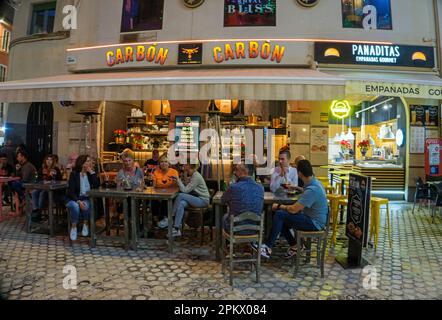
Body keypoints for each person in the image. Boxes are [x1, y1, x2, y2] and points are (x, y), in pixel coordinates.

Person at [253, 160, 328, 259]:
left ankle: (267, 247)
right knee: (280, 219)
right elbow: (305, 191)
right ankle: (295, 246)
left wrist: (279, 206)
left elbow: (293, 209)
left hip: (314, 223)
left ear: (300, 173)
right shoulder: (315, 183)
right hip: (316, 219)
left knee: (280, 214)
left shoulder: (312, 190)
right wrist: (296, 187)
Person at [169, 162, 210, 237]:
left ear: (188, 165)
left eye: (184, 164)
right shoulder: (192, 174)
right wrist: (183, 177)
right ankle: (176, 228)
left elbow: (185, 191)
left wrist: (178, 180)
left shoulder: (196, 176)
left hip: (203, 200)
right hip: (196, 198)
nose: (183, 165)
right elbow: (187, 185)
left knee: (180, 195)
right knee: (181, 204)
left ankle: (171, 217)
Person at [221, 163, 264, 233]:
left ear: (244, 171)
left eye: (236, 170)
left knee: (225, 217)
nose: (234, 172)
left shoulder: (233, 187)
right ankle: (254, 242)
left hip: (235, 229)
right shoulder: (260, 188)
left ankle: (227, 243)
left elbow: (222, 201)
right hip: (255, 229)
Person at [66, 155, 100, 241]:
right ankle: (74, 227)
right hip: (74, 198)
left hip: (86, 198)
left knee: (86, 205)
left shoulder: (90, 174)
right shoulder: (74, 174)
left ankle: (85, 223)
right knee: (75, 206)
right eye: (87, 161)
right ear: (82, 163)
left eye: (90, 161)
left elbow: (96, 186)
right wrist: (78, 201)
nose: (89, 163)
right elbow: (71, 192)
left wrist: (92, 172)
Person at [31, 155, 62, 222]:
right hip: (42, 187)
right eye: (47, 159)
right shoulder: (42, 169)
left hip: (52, 190)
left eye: (50, 160)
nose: (48, 161)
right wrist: (43, 178)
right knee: (34, 192)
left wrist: (51, 176)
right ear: (45, 161)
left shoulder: (56, 169)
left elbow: (60, 180)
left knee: (42, 193)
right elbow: (38, 179)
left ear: (53, 161)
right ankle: (35, 210)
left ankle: (38, 213)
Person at [152, 156, 179, 229]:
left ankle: (166, 221)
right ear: (159, 164)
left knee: (166, 201)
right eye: (162, 162)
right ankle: (156, 220)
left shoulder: (174, 172)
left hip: (171, 195)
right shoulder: (156, 172)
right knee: (153, 200)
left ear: (169, 163)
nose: (164, 163)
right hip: (158, 194)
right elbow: (154, 186)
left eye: (166, 162)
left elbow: (176, 186)